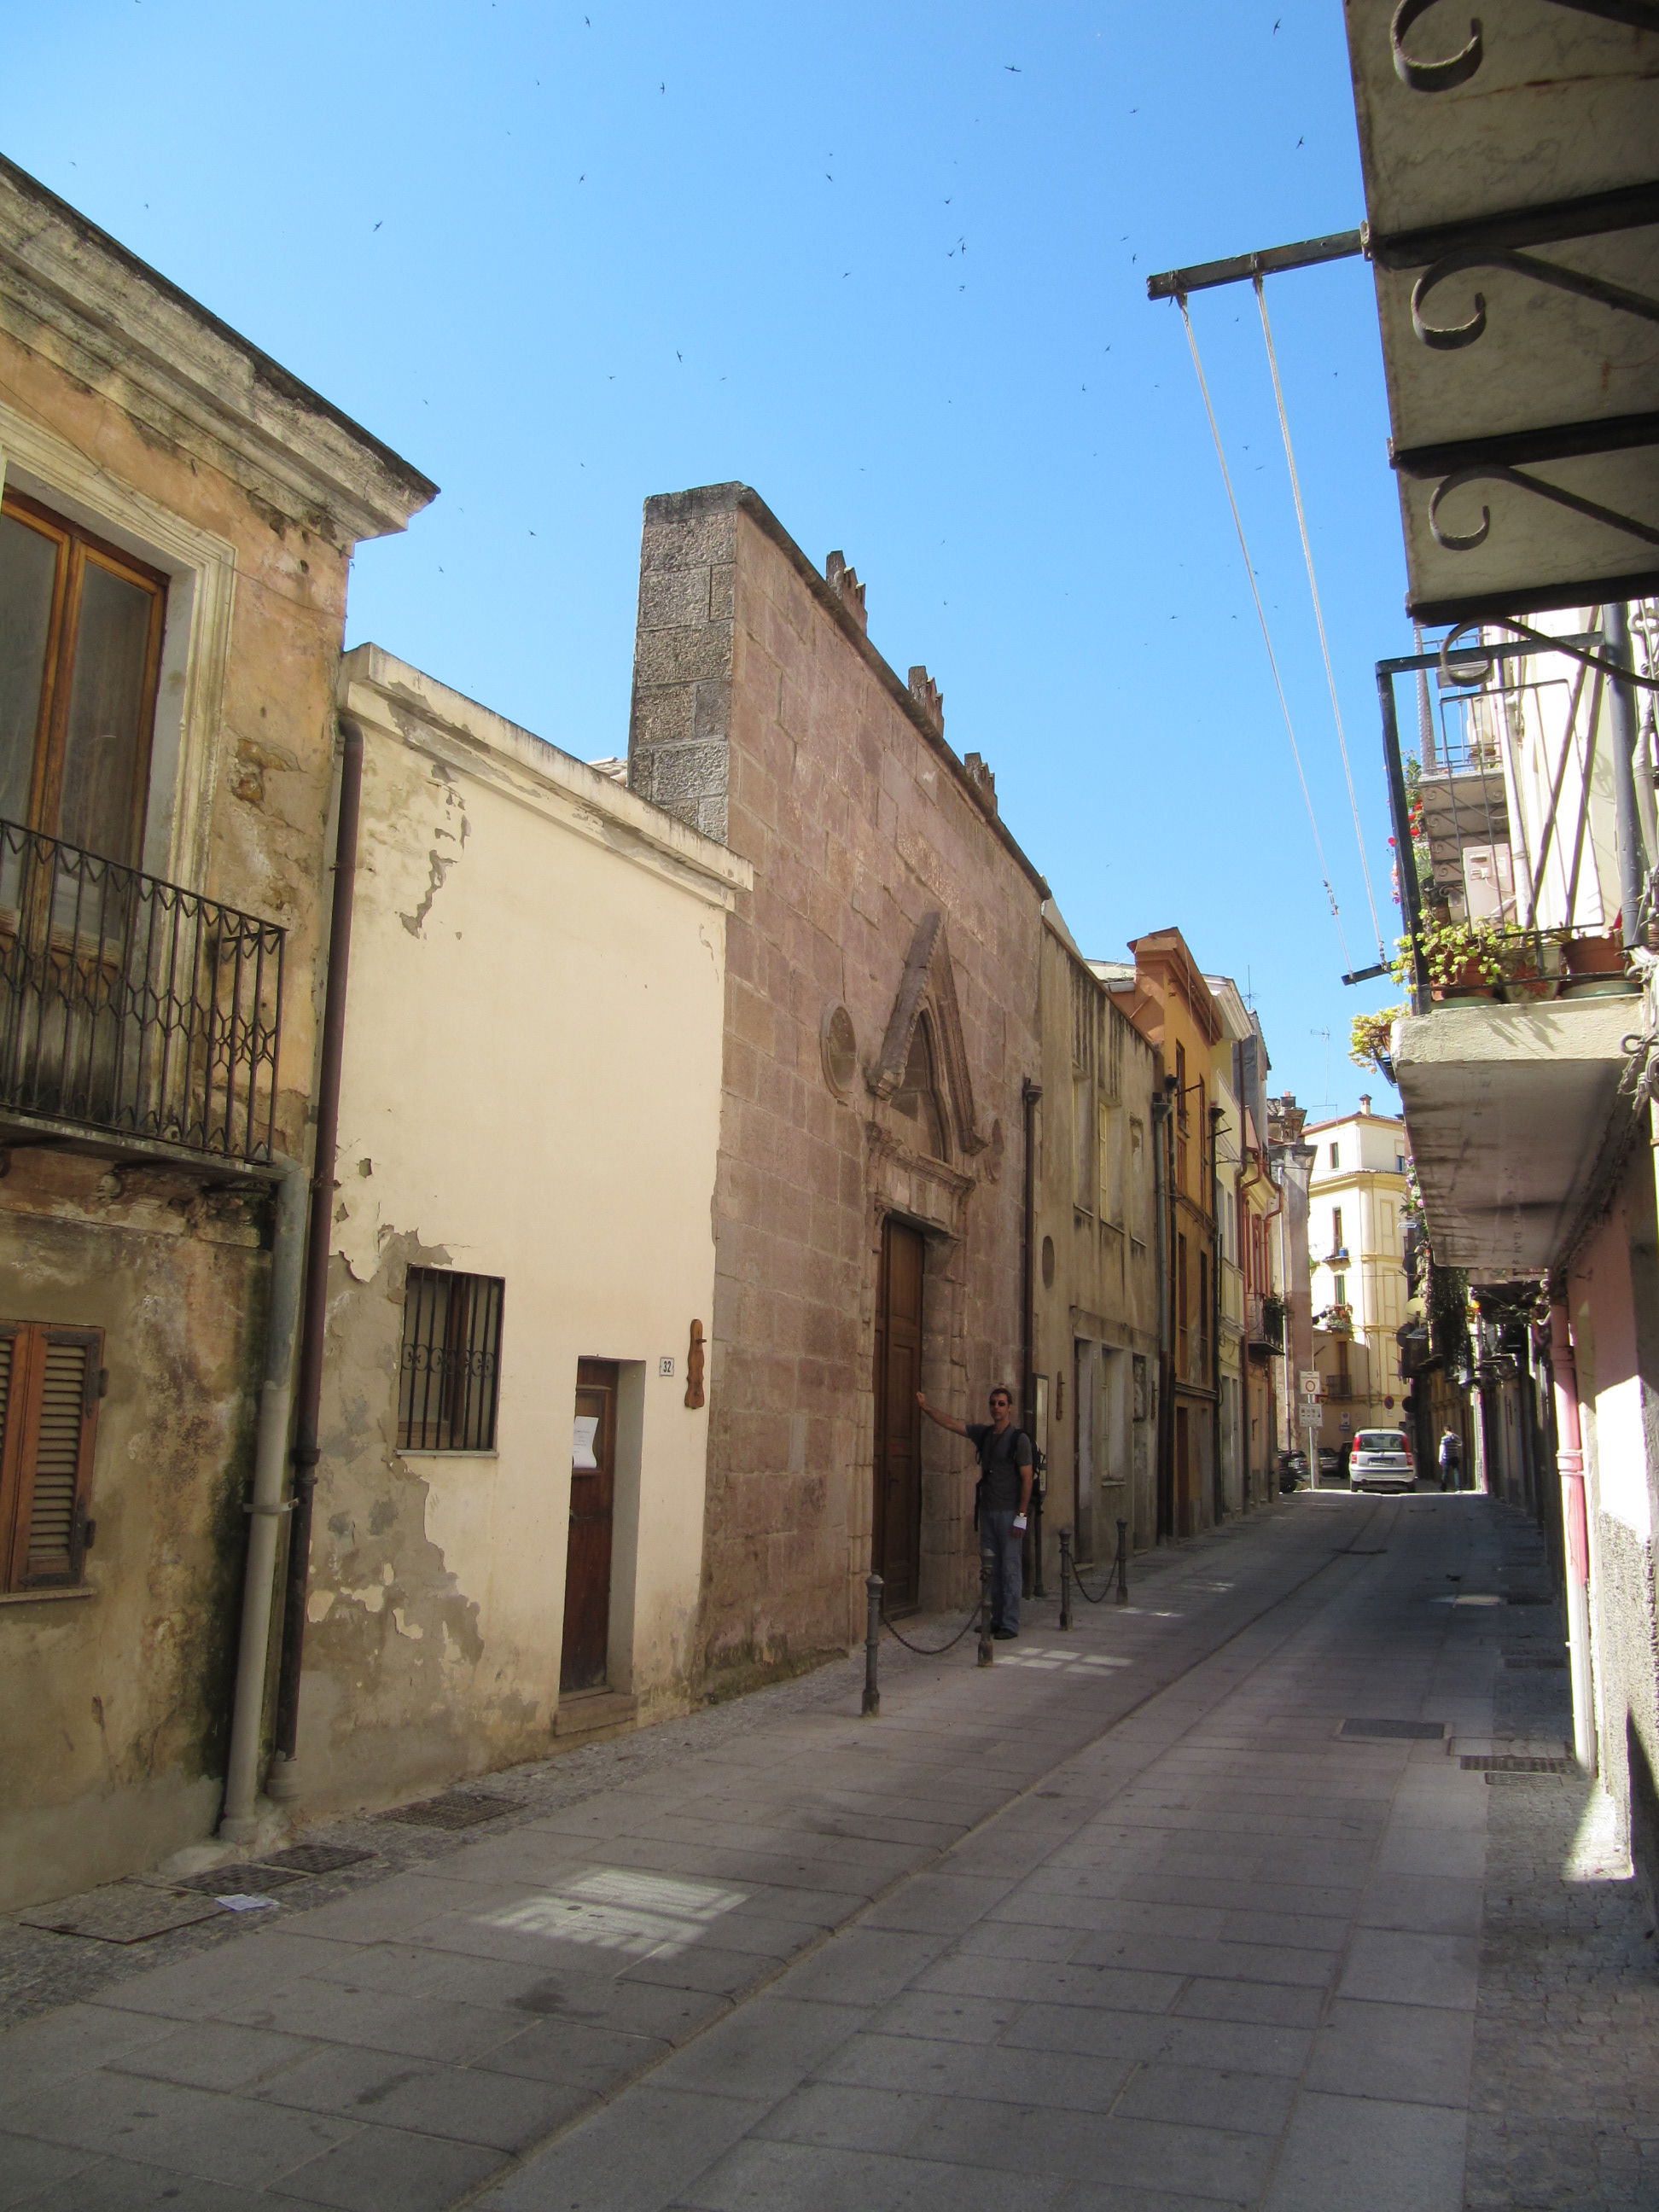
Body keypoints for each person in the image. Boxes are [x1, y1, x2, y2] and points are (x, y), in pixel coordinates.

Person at [917, 1384, 1033, 1639]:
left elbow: (1027, 1479)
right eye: (993, 1403)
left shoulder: (1019, 1440)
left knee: (1010, 1568)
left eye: (1001, 1403)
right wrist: (927, 1408)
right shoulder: (985, 1434)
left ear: (1009, 1407)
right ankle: (994, 1618)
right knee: (990, 1568)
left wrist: (1021, 1517)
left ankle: (1010, 1624)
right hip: (988, 1511)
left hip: (1009, 1511)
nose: (996, 1408)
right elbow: (953, 1425)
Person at [1438, 1428, 1464, 1493]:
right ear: (1451, 1430)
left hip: (1447, 1458)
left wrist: (1440, 1459)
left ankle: (1443, 1488)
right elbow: (1461, 1443)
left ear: (1445, 1430)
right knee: (1456, 1472)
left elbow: (1442, 1449)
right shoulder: (1455, 1437)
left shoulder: (1444, 1438)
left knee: (1445, 1473)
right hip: (1455, 1457)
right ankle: (1458, 1488)